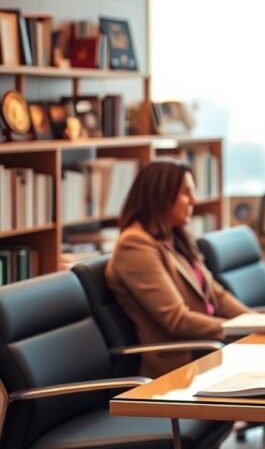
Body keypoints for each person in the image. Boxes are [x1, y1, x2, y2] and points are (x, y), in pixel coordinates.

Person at [106, 159, 252, 378]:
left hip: (209, 348)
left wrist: (258, 322)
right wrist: (240, 330)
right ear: (160, 196)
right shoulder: (134, 245)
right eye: (186, 193)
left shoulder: (175, 236)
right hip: (182, 363)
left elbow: (217, 296)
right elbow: (177, 319)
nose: (194, 200)